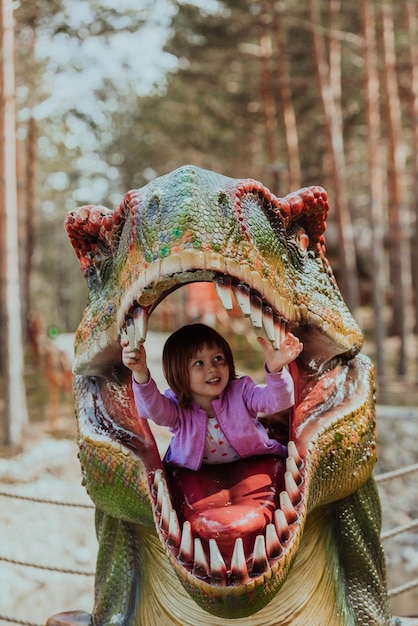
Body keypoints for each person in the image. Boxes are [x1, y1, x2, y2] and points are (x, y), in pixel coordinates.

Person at [121, 323, 302, 471]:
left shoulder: (242, 391)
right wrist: (140, 373)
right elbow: (153, 411)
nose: (212, 368)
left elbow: (278, 401)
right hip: (193, 473)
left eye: (218, 358)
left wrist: (275, 370)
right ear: (179, 373)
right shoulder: (177, 407)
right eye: (199, 363)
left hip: (253, 461)